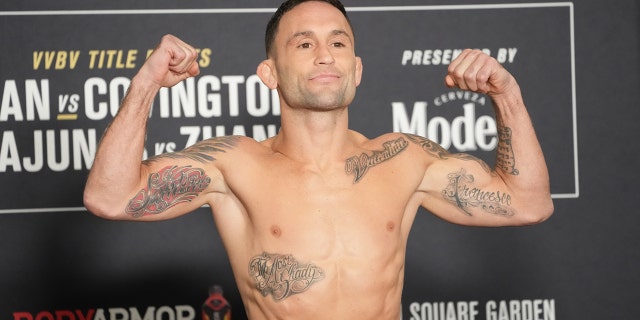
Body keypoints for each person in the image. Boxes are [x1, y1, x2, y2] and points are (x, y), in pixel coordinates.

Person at [84, 0, 554, 319]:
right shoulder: (235, 165)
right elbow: (111, 197)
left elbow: (528, 203)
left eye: (339, 42)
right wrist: (145, 84)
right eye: (304, 43)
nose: (325, 55)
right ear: (269, 73)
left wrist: (506, 95)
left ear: (357, 68)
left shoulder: (404, 159)